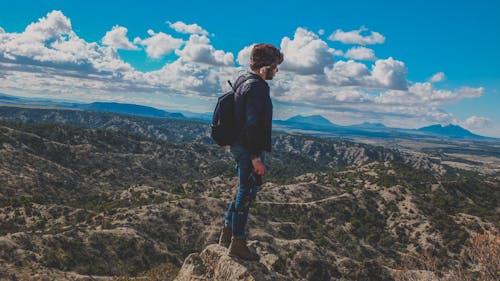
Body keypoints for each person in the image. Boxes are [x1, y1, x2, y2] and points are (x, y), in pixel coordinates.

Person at [218, 43, 283, 260]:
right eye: (275, 66)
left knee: (242, 190)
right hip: (248, 148)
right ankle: (237, 242)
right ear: (265, 66)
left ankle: (227, 234)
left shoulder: (242, 80)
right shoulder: (258, 87)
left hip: (238, 144)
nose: (276, 71)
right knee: (246, 194)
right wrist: (256, 157)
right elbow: (253, 123)